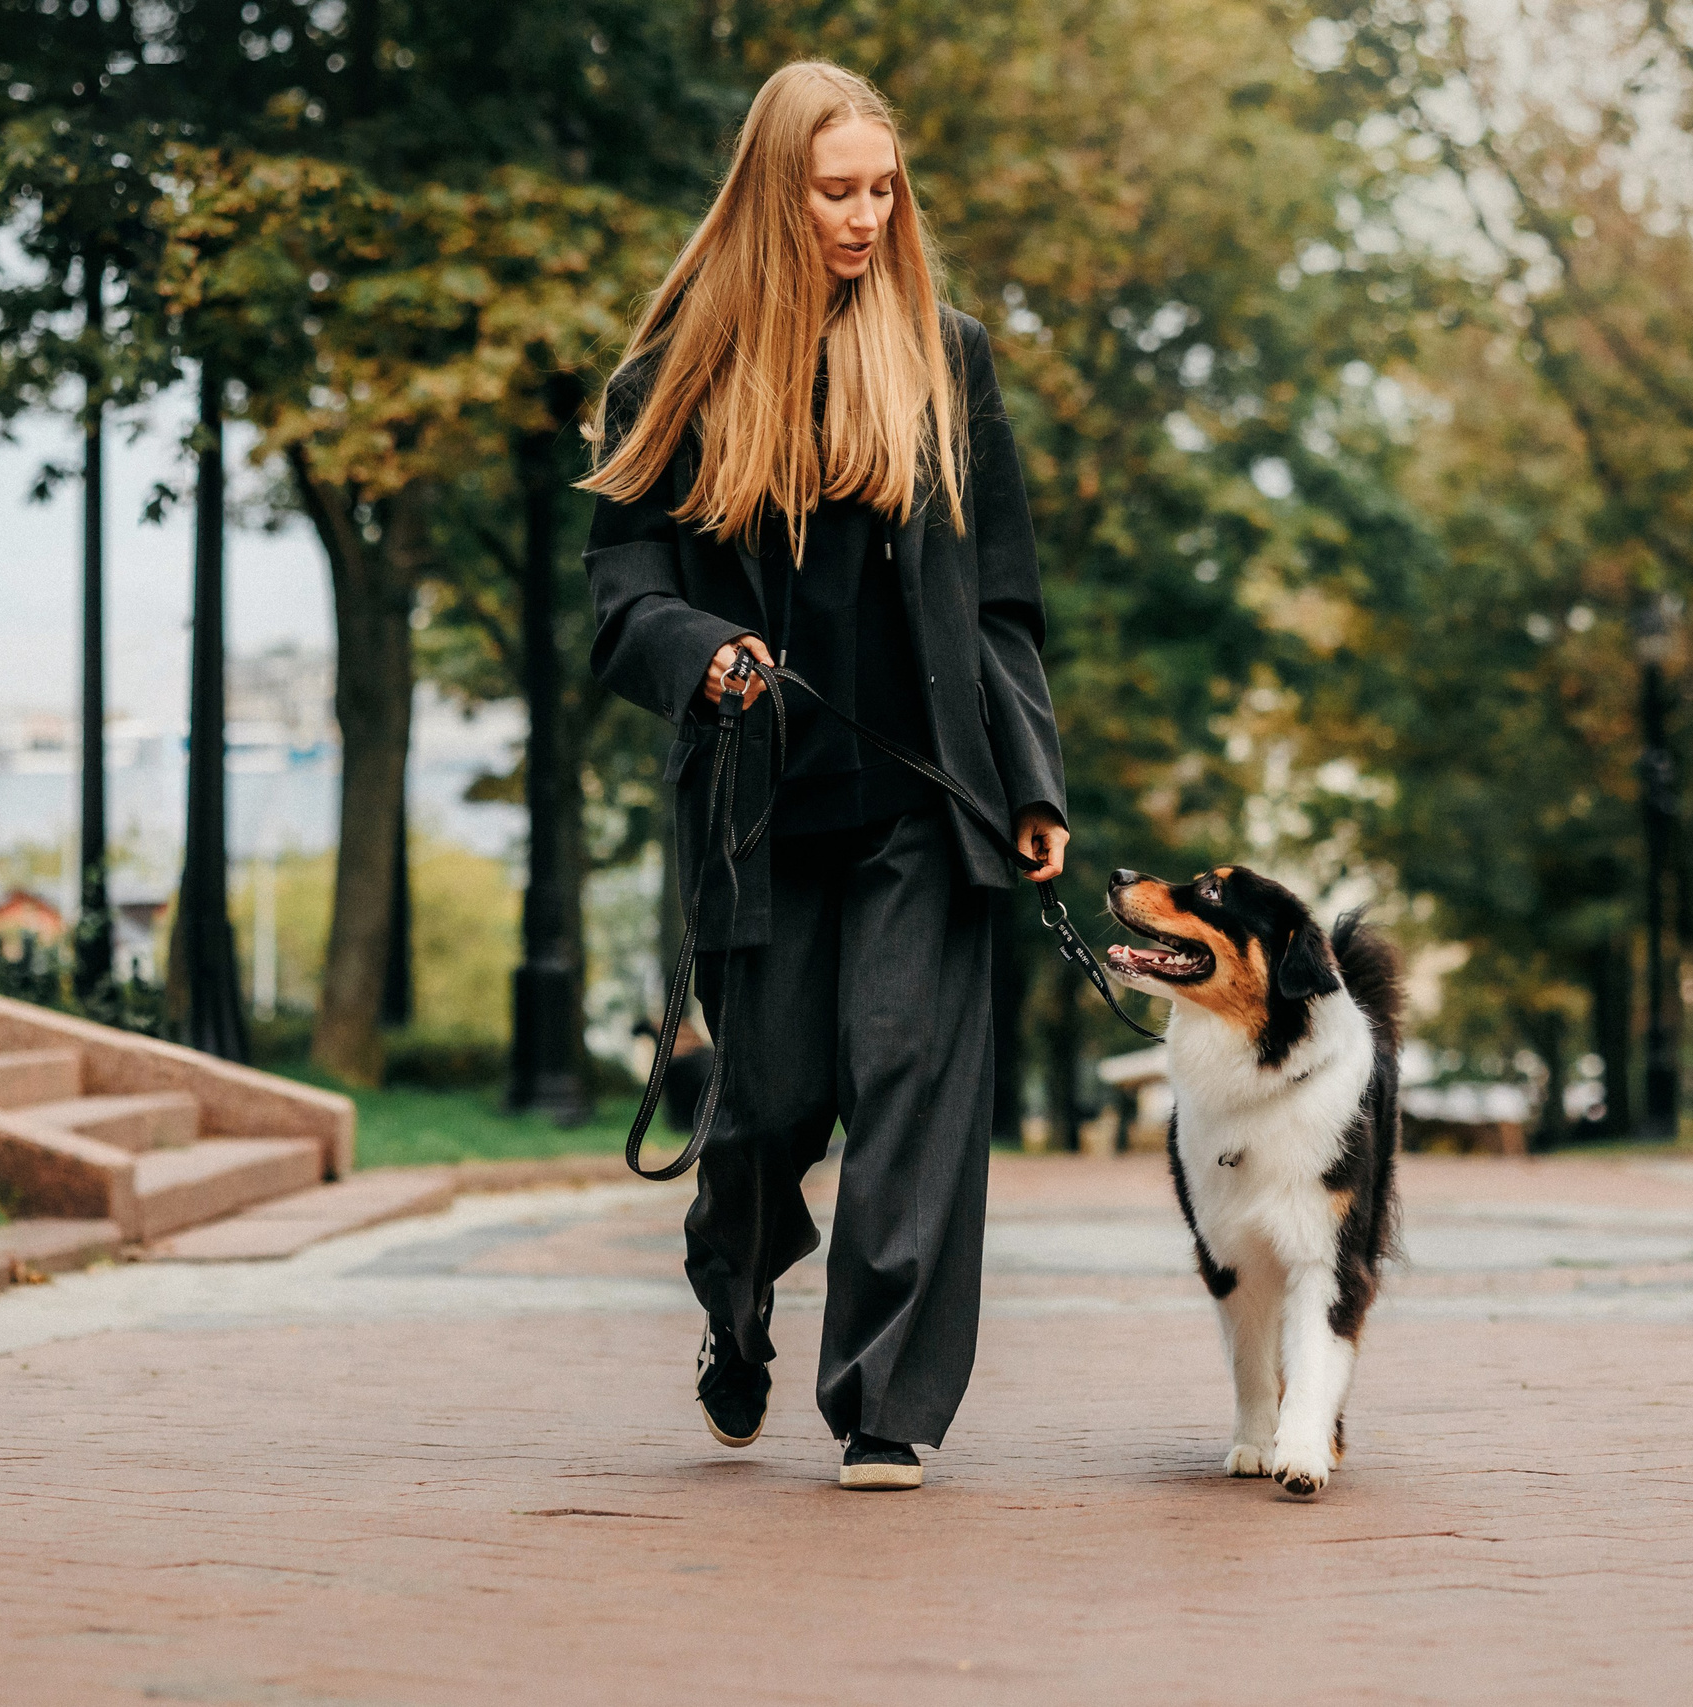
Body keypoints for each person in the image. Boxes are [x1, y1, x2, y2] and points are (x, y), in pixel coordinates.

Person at [579, 61, 1067, 1492]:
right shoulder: (669, 378)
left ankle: (884, 1407)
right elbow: (623, 596)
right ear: (771, 195)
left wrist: (1031, 783)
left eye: (882, 191)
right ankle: (733, 1285)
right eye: (835, 192)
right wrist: (702, 651)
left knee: (911, 1086)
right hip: (761, 810)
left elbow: (1002, 603)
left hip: (929, 803)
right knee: (770, 1108)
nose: (866, 218)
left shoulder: (946, 358)